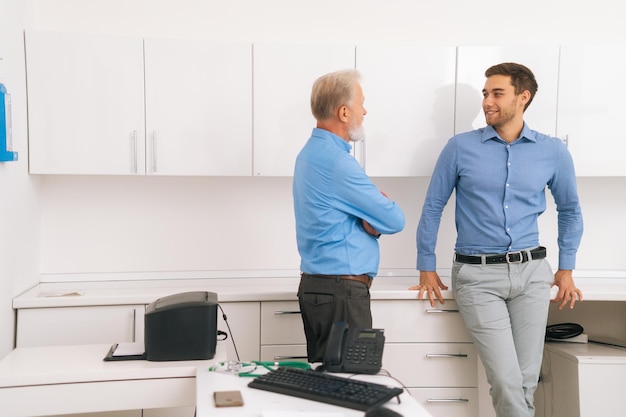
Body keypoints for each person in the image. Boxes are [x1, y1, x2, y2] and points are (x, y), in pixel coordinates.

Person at [412, 62, 583, 417]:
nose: (488, 101)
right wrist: (425, 265)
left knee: (526, 378)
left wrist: (566, 268)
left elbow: (570, 209)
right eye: (485, 93)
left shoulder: (552, 151)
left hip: (532, 274)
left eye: (497, 93)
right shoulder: (459, 147)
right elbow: (432, 208)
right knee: (506, 381)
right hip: (477, 276)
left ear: (523, 97)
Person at [293, 69, 405, 363]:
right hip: (341, 294)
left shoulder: (309, 154)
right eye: (361, 104)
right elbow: (395, 219)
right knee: (351, 383)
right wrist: (375, 221)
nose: (364, 111)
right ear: (344, 112)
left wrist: (371, 223)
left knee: (329, 385)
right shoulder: (338, 163)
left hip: (321, 289)